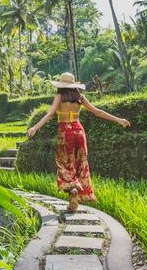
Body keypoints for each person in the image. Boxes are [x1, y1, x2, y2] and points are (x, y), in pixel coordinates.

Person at [27, 72, 131, 211]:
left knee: (65, 163)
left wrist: (35, 127)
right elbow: (97, 112)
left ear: (60, 85)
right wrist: (119, 120)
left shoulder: (59, 96)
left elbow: (50, 114)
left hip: (65, 132)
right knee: (80, 162)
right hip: (79, 131)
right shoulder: (80, 97)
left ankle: (73, 190)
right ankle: (75, 197)